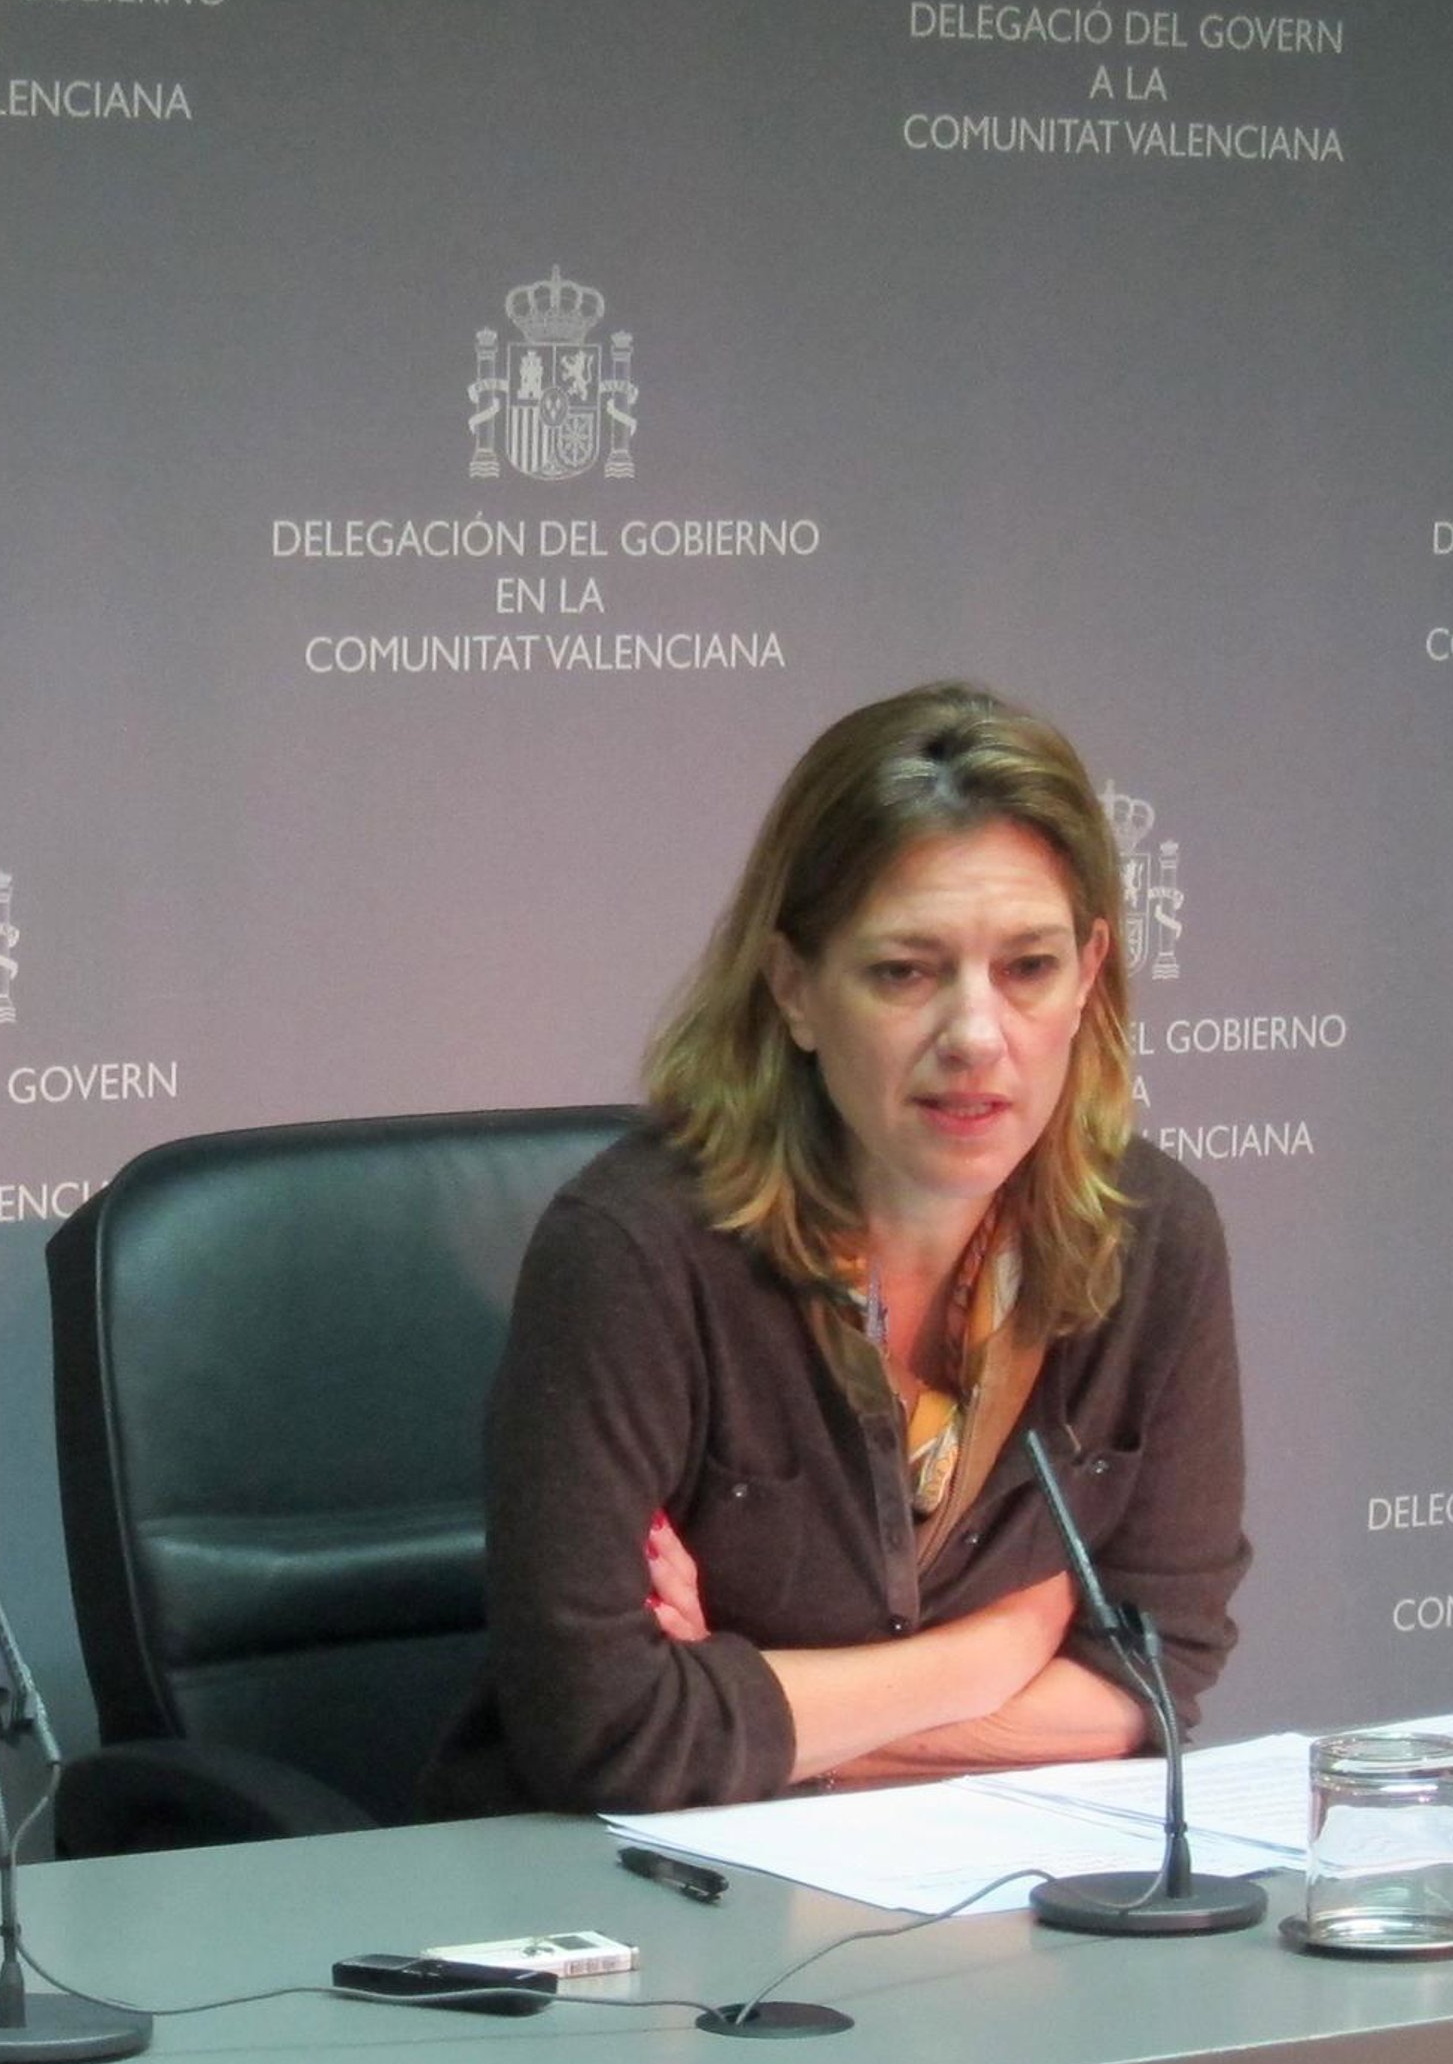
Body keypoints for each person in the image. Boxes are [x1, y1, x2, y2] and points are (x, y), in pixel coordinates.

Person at [422, 682, 1248, 1817]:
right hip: (628, 1891)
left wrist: (762, 1711)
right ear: (796, 989)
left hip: (977, 1882)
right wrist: (995, 1654)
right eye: (905, 971)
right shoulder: (637, 1253)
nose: (976, 1035)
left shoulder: (1153, 1233)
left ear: (1090, 972)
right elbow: (606, 1729)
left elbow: (1154, 1673)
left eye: (1029, 967)